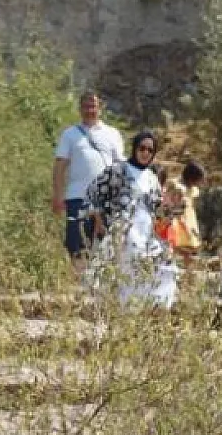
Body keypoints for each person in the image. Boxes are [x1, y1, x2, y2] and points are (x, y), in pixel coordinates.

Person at [85, 131, 177, 307]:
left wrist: (168, 211)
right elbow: (93, 193)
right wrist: (99, 220)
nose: (145, 153)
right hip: (124, 231)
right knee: (127, 273)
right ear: (135, 148)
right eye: (142, 148)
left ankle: (151, 308)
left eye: (150, 150)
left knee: (165, 267)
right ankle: (124, 310)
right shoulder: (118, 170)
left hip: (147, 233)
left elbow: (157, 208)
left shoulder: (152, 178)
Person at [51, 92, 124, 261]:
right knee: (77, 248)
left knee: (106, 248)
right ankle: (79, 277)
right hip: (77, 198)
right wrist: (57, 196)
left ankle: (100, 278)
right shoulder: (70, 134)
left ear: (100, 108)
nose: (90, 110)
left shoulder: (112, 134)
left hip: (105, 199)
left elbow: (120, 167)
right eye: (86, 106)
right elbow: (59, 167)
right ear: (80, 109)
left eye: (93, 106)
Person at [165, 160, 205, 255]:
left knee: (190, 251)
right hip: (178, 224)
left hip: (190, 223)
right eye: (198, 180)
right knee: (178, 249)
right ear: (191, 179)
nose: (200, 183)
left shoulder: (193, 190)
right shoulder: (176, 187)